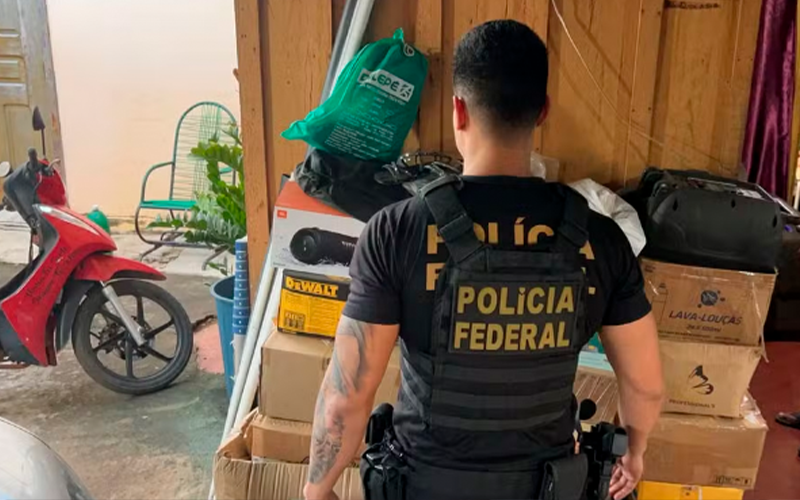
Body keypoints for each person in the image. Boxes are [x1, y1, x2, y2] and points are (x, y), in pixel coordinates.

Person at [304, 20, 664, 500]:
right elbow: (645, 386)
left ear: (458, 110)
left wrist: (317, 491)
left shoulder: (396, 231)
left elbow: (345, 397)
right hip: (547, 487)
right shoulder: (601, 240)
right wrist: (634, 451)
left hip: (424, 487)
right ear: (542, 111)